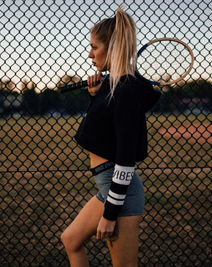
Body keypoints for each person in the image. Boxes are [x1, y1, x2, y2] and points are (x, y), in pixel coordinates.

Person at [60, 7, 161, 267]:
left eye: (95, 47)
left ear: (113, 48)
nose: (90, 54)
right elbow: (101, 131)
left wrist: (110, 214)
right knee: (71, 240)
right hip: (108, 187)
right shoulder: (113, 88)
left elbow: (126, 159)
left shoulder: (126, 91)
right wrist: (95, 96)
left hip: (120, 191)